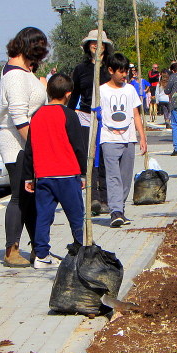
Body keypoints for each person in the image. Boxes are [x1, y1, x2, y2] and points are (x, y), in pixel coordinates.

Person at [0, 27, 49, 267]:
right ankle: (12, 250)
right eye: (38, 52)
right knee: (19, 197)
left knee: (29, 197)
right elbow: (19, 117)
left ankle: (38, 248)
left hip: (26, 143)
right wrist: (36, 147)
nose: (39, 58)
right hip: (18, 144)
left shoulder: (23, 72)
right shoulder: (16, 76)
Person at [23, 73, 87, 270]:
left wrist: (28, 176)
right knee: (76, 215)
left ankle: (41, 255)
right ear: (68, 94)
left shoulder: (37, 115)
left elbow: (30, 149)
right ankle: (81, 249)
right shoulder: (69, 115)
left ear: (48, 92)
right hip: (67, 174)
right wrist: (83, 172)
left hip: (43, 175)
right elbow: (78, 146)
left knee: (43, 216)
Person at [99, 52, 148, 228]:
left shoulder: (130, 89)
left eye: (126, 71)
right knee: (113, 177)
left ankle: (121, 208)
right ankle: (115, 211)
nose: (124, 75)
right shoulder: (102, 90)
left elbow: (135, 114)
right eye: (120, 71)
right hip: (109, 138)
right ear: (111, 70)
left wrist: (142, 136)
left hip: (128, 139)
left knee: (126, 178)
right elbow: (96, 114)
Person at [69, 29, 113, 215]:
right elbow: (74, 96)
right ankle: (93, 197)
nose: (96, 45)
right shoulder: (81, 70)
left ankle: (106, 198)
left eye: (99, 42)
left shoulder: (110, 68)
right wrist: (68, 116)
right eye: (92, 42)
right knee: (90, 159)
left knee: (105, 159)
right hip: (87, 117)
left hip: (109, 118)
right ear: (88, 46)